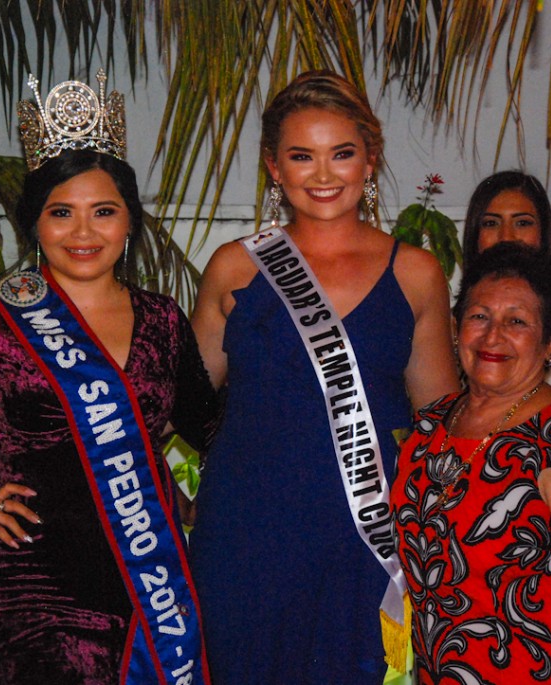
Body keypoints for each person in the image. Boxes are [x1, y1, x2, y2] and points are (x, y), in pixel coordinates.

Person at [0, 73, 218, 684]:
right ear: (35, 223)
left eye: (103, 212)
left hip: (148, 587)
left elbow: (210, 430)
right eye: (61, 213)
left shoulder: (162, 320)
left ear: (129, 221)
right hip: (34, 596)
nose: (83, 233)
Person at [187, 70, 459, 684]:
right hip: (247, 531)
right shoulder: (234, 267)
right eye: (301, 156)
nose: (323, 174)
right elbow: (181, 404)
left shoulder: (416, 272)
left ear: (370, 158)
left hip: (366, 536)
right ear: (273, 167)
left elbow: (439, 424)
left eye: (341, 153)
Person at [392, 242, 551, 684]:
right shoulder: (430, 426)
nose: (493, 337)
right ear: (456, 328)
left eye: (517, 321)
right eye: (479, 316)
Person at [461, 170, 551, 416]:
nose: (506, 236)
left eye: (522, 223)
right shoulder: (460, 309)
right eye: (491, 223)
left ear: (543, 232)